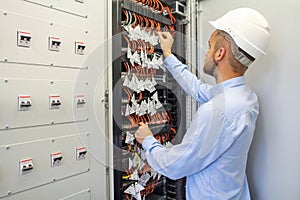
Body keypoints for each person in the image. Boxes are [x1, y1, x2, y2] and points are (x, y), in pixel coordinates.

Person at [135, 8, 271, 200]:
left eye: (210, 46)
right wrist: (168, 55)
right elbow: (200, 90)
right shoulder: (246, 97)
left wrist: (148, 141)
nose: (206, 53)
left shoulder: (217, 111)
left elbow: (174, 166)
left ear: (219, 53)